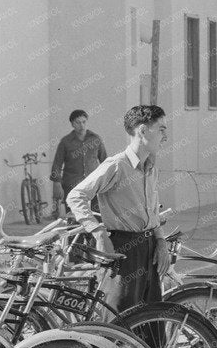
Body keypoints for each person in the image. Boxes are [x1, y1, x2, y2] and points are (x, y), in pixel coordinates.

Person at [66, 104, 170, 316]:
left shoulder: (150, 166)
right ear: (142, 130)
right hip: (124, 251)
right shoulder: (116, 165)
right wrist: (98, 232)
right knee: (120, 322)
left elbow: (152, 211)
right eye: (161, 129)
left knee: (150, 323)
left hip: (149, 250)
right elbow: (76, 195)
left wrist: (160, 241)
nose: (165, 136)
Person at [50, 109, 108, 217]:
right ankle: (73, 234)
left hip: (93, 184)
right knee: (73, 217)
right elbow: (57, 164)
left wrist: (107, 181)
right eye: (78, 122)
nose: (82, 125)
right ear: (72, 124)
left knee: (96, 216)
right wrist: (56, 183)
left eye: (84, 122)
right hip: (71, 185)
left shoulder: (96, 139)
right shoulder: (65, 142)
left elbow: (105, 161)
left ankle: (93, 234)